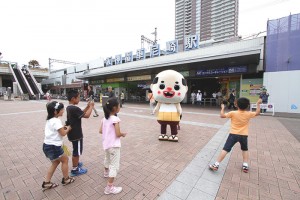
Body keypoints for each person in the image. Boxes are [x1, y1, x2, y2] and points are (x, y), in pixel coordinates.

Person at [209, 97, 262, 173]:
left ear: (236, 105)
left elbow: (222, 115)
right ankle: (245, 165)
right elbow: (257, 113)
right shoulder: (249, 114)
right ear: (247, 106)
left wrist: (222, 108)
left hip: (233, 134)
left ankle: (216, 164)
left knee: (226, 149)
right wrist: (258, 104)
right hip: (244, 135)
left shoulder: (233, 113)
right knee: (245, 149)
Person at [42, 101, 75, 190]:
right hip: (54, 147)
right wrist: (68, 128)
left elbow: (58, 130)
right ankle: (66, 179)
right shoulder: (56, 121)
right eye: (61, 110)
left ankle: (47, 182)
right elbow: (63, 133)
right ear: (55, 112)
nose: (63, 111)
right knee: (65, 160)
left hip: (47, 146)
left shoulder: (50, 120)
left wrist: (63, 127)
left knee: (55, 162)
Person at [99, 97, 126, 195]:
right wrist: (122, 134)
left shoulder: (104, 119)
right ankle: (109, 187)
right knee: (114, 166)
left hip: (106, 144)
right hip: (114, 145)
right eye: (119, 105)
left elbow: (100, 131)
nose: (120, 107)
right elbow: (118, 134)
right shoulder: (115, 119)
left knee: (107, 159)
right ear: (114, 108)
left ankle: (106, 172)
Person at [66, 90, 94, 176]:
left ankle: (76, 163)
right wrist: (91, 107)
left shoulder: (70, 107)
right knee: (77, 152)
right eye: (78, 97)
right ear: (73, 98)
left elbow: (81, 113)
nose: (79, 99)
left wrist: (87, 106)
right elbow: (87, 115)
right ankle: (75, 169)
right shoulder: (74, 108)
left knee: (76, 149)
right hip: (76, 134)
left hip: (72, 133)